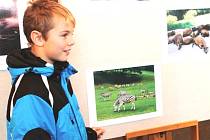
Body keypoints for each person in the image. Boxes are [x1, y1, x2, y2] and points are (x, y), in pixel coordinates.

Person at [6, 0, 104, 139]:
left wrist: (86, 135)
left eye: (71, 34)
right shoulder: (31, 90)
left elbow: (60, 128)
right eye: (64, 35)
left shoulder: (58, 75)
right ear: (38, 38)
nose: (71, 41)